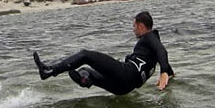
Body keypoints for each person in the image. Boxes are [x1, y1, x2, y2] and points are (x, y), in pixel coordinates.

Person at [33, 11, 174, 95]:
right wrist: (170, 73)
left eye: (134, 26)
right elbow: (161, 55)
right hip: (124, 88)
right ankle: (85, 80)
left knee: (85, 55)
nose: (133, 29)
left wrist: (163, 73)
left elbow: (163, 52)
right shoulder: (154, 45)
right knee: (83, 70)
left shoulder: (149, 37)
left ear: (141, 26)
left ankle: (50, 71)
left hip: (126, 74)